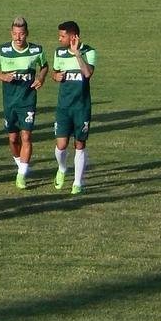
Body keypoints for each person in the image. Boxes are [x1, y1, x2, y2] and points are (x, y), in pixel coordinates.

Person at [0, 17, 47, 189]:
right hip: (9, 101)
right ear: (11, 34)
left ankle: (21, 175)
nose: (18, 37)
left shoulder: (36, 50)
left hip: (27, 100)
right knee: (13, 139)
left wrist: (41, 77)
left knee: (26, 136)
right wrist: (2, 76)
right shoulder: (3, 50)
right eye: (15, 34)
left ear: (26, 34)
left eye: (21, 34)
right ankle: (20, 164)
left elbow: (44, 66)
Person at [51, 21, 97, 195]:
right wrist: (56, 76)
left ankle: (77, 182)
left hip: (81, 107)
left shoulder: (89, 52)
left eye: (62, 36)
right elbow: (54, 74)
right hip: (64, 107)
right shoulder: (59, 52)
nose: (59, 38)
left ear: (73, 37)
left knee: (80, 144)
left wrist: (77, 54)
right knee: (61, 145)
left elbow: (87, 74)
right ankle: (62, 168)